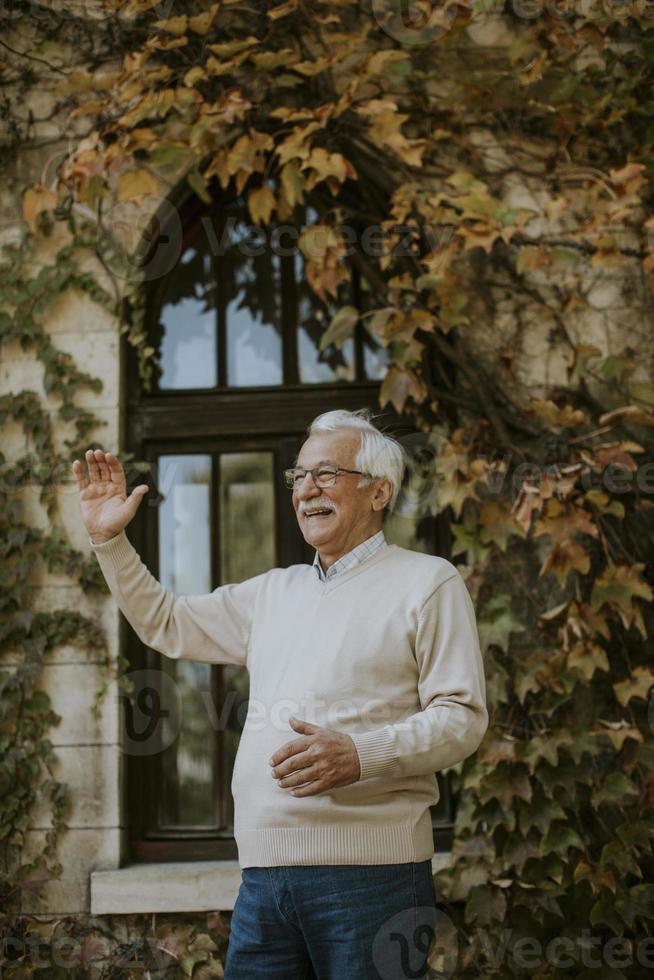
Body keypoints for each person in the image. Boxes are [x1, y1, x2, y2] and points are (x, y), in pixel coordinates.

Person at [72, 408, 488, 980]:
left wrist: (360, 755)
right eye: (298, 477)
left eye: (326, 474)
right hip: (264, 879)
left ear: (379, 491)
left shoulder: (428, 581)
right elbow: (165, 622)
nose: (306, 490)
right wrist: (109, 540)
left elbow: (461, 718)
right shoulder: (272, 593)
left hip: (375, 877)